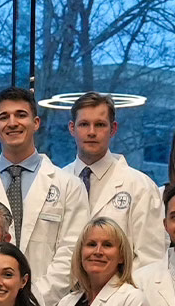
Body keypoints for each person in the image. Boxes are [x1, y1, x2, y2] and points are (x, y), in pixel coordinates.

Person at [0, 87, 87, 306]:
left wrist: (30, 301)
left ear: (36, 123)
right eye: (4, 117)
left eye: (21, 115)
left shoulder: (69, 186)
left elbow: (71, 256)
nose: (12, 123)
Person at [65, 92, 165, 273]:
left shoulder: (140, 186)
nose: (91, 132)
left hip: (121, 296)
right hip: (62, 297)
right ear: (72, 128)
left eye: (100, 125)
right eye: (84, 124)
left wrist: (114, 296)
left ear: (113, 129)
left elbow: (150, 259)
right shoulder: (57, 182)